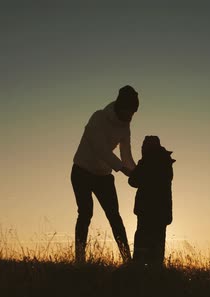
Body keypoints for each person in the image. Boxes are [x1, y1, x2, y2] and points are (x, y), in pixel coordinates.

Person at [71, 85, 138, 263]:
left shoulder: (125, 127)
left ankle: (128, 261)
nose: (130, 117)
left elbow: (126, 156)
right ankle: (80, 261)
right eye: (129, 112)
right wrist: (124, 170)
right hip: (81, 171)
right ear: (119, 106)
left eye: (133, 113)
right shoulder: (98, 117)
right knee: (85, 213)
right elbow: (101, 150)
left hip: (104, 176)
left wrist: (137, 172)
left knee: (114, 216)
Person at [128, 135, 175, 267]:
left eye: (143, 146)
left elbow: (133, 181)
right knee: (158, 245)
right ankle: (156, 272)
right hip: (162, 211)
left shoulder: (146, 162)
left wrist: (138, 165)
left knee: (142, 243)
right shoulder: (166, 162)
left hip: (146, 209)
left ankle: (138, 270)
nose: (142, 149)